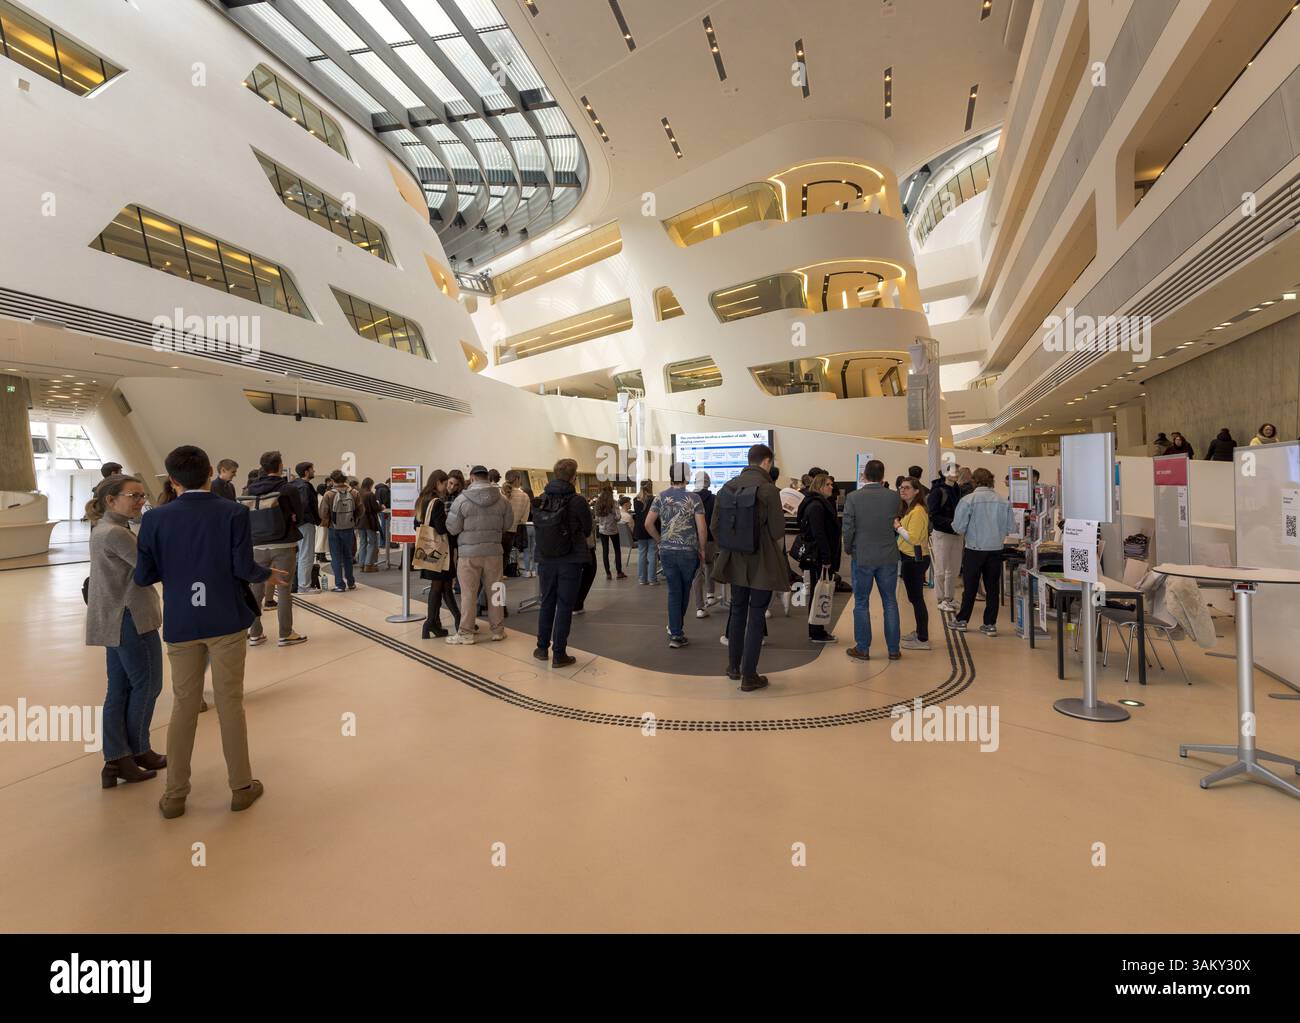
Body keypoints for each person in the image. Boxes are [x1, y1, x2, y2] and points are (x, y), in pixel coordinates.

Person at [134, 445, 275, 819]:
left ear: (173, 480)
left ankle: (175, 795)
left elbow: (145, 575)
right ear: (211, 471)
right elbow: (242, 566)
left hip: (182, 622)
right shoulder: (232, 512)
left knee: (183, 706)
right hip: (225, 619)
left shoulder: (154, 520)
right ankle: (241, 787)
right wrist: (267, 575)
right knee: (230, 704)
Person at [85, 474, 165, 788]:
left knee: (119, 689)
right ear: (111, 499)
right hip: (131, 618)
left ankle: (119, 757)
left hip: (113, 619)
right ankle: (135, 750)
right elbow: (151, 568)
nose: (141, 500)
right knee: (148, 686)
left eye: (142, 495)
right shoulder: (116, 533)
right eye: (133, 495)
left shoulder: (104, 529)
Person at [711, 444, 789, 690]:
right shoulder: (768, 490)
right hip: (762, 562)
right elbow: (777, 530)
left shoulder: (726, 488)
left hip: (734, 560)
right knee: (756, 616)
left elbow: (715, 527)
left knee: (737, 611)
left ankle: (733, 667)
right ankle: (749, 675)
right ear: (767, 462)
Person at [240, 451, 307, 647]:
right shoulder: (288, 489)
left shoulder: (248, 490)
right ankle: (285, 633)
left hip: (256, 545)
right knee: (284, 588)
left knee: (255, 589)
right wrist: (292, 517)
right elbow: (300, 516)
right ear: (280, 466)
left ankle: (255, 633)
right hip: (284, 544)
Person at [532, 458, 593, 667]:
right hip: (571, 559)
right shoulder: (577, 501)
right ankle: (559, 654)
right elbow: (587, 529)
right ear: (574, 477)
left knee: (547, 601)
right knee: (565, 605)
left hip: (545, 558)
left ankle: (541, 648)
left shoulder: (541, 499)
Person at [842, 459, 903, 661]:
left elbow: (848, 527)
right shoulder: (894, 497)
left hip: (863, 556)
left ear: (864, 475)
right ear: (883, 476)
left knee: (861, 602)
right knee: (890, 602)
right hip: (888, 555)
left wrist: (848, 547)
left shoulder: (853, 497)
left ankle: (863, 648)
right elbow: (896, 522)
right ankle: (893, 649)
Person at [446, 465, 512, 645]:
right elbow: (507, 525)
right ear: (487, 477)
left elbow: (452, 528)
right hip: (494, 553)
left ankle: (466, 633)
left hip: (468, 554)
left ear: (472, 478)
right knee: (496, 590)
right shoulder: (503, 500)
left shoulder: (461, 500)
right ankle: (498, 630)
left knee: (468, 593)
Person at [645, 462, 707, 648]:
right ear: (687, 477)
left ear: (671, 476)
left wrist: (660, 541)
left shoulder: (661, 497)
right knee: (684, 590)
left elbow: (648, 524)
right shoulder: (694, 498)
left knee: (673, 592)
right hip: (689, 552)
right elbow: (702, 528)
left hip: (667, 552)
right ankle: (675, 630)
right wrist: (702, 549)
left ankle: (675, 631)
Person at [947, 467, 1015, 636]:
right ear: (991, 480)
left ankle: (962, 620)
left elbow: (958, 527)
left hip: (974, 549)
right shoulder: (1003, 502)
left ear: (974, 481)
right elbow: (1010, 528)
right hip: (995, 549)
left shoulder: (968, 500)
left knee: (970, 586)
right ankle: (990, 624)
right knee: (993, 588)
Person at [416, 470, 460, 639]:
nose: (446, 487)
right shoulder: (437, 502)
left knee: (443, 586)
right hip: (440, 551)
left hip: (427, 549)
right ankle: (431, 623)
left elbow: (416, 524)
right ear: (438, 483)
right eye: (445, 483)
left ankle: (437, 622)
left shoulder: (421, 499)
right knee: (440, 586)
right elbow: (441, 529)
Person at [798, 472, 840, 644]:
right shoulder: (816, 506)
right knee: (818, 593)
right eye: (829, 484)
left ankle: (818, 629)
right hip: (819, 556)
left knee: (819, 592)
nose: (832, 487)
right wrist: (826, 557)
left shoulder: (818, 503)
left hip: (820, 554)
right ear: (820, 486)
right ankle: (816, 631)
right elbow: (819, 533)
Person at [895, 477, 932, 651]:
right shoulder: (910, 509)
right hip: (910, 558)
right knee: (914, 598)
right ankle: (919, 632)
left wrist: (898, 527)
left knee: (917, 599)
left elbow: (915, 538)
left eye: (907, 488)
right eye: (901, 488)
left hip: (914, 559)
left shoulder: (917, 511)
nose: (903, 490)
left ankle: (923, 639)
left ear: (917, 491)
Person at [927, 462, 963, 613]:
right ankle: (940, 599)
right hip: (942, 534)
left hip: (957, 533)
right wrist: (953, 523)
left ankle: (950, 597)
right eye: (954, 471)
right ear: (945, 473)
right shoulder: (938, 491)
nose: (956, 474)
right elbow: (933, 515)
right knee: (941, 569)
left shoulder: (957, 489)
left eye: (957, 471)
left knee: (954, 569)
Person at [320, 470, 361, 592]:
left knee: (336, 557)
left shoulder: (329, 494)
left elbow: (323, 512)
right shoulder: (354, 493)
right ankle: (351, 582)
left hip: (334, 529)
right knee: (348, 556)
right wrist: (353, 520)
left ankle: (339, 584)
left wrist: (328, 521)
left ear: (332, 480)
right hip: (349, 528)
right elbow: (361, 510)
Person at [289, 462, 321, 592]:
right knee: (306, 554)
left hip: (296, 525)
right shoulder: (305, 487)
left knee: (298, 555)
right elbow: (305, 505)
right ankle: (304, 586)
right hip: (305, 523)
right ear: (306, 472)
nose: (314, 471)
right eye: (312, 469)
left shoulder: (293, 485)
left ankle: (296, 584)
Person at [690, 470, 718, 617]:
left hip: (693, 539)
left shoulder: (690, 498)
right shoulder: (715, 498)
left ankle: (700, 607)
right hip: (711, 539)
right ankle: (711, 594)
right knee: (709, 564)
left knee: (696, 573)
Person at [592, 482, 626, 580]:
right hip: (613, 530)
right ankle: (619, 572)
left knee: (605, 551)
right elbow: (618, 517)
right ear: (611, 493)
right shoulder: (614, 503)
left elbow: (597, 519)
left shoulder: (598, 503)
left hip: (602, 530)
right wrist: (612, 515)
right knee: (617, 551)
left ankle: (608, 573)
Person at [502, 471, 530, 576]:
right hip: (511, 531)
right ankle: (499, 577)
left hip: (497, 530)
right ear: (517, 479)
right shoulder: (524, 496)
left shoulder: (501, 494)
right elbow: (524, 519)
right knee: (505, 556)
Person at [632, 479, 659, 585]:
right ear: (651, 486)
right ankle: (652, 579)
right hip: (652, 529)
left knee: (642, 554)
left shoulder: (635, 499)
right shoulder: (654, 499)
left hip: (640, 530)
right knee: (652, 554)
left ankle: (642, 579)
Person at [355, 477, 383, 573]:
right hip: (369, 522)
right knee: (372, 542)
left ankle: (361, 564)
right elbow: (375, 508)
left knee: (363, 543)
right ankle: (368, 564)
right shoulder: (370, 494)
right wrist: (381, 507)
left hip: (360, 521)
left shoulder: (358, 493)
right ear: (370, 485)